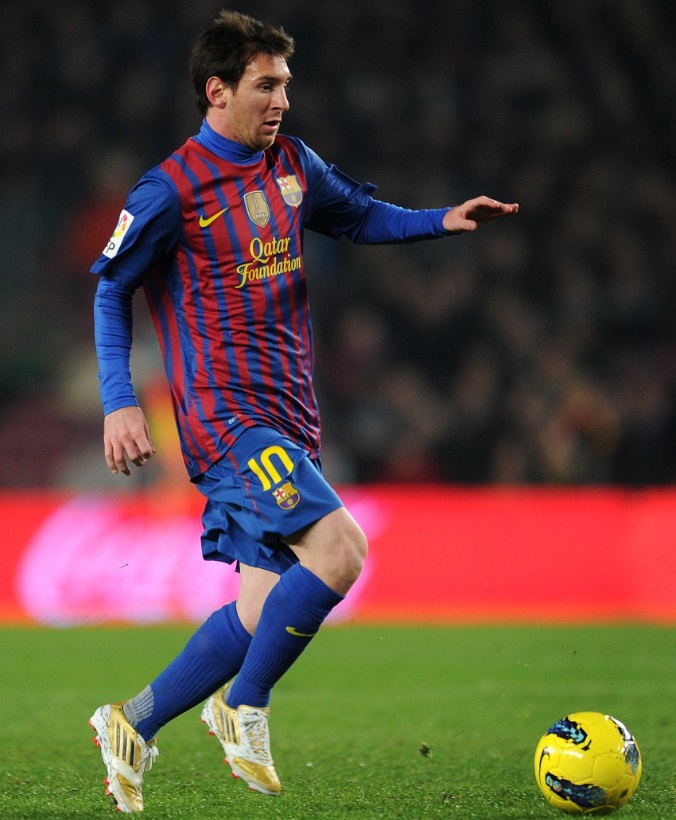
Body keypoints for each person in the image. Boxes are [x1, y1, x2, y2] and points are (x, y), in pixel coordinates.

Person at [88, 9, 518, 813]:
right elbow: (112, 289)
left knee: (259, 610)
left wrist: (444, 220)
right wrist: (120, 403)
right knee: (342, 551)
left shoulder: (292, 165)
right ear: (217, 91)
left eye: (286, 84)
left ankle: (131, 723)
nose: (282, 100)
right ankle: (243, 707)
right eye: (266, 85)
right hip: (226, 421)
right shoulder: (169, 189)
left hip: (290, 417)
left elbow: (359, 216)